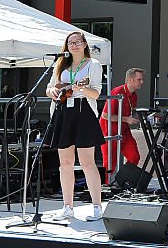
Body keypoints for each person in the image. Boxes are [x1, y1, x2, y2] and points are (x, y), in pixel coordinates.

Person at [45, 31, 105, 221]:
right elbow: (49, 88)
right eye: (71, 42)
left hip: (83, 111)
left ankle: (96, 207)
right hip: (63, 112)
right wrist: (53, 90)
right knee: (65, 163)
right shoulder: (61, 64)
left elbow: (95, 93)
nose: (74, 45)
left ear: (85, 44)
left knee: (87, 162)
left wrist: (80, 88)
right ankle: (67, 207)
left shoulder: (93, 65)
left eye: (78, 42)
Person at [99, 67, 146, 173]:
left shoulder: (134, 95)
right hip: (110, 132)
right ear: (130, 80)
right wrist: (126, 119)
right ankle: (106, 186)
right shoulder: (117, 92)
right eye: (139, 79)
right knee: (109, 165)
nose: (142, 82)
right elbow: (105, 115)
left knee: (134, 156)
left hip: (124, 131)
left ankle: (122, 180)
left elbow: (130, 112)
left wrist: (138, 117)